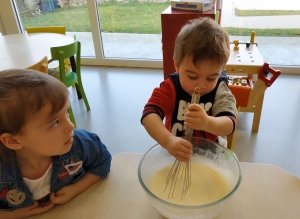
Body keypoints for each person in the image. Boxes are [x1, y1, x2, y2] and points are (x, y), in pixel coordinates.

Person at [0, 69, 112, 219]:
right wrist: (11, 215)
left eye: (67, 113)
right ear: (13, 141)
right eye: (55, 123)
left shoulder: (79, 143)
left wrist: (76, 188)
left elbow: (102, 161)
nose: (71, 126)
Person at [141, 17, 238, 162]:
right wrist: (168, 141)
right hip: (174, 152)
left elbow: (230, 123)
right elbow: (149, 115)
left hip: (210, 155)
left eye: (211, 78)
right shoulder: (170, 87)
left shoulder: (220, 89)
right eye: (192, 76)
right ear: (177, 66)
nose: (201, 85)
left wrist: (207, 123)